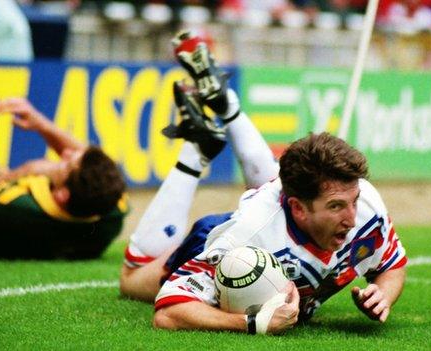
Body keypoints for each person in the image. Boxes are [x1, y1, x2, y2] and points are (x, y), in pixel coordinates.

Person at [119, 30, 407, 334]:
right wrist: (250, 322)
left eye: (354, 200)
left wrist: (383, 294)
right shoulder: (242, 238)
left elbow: (392, 264)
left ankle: (226, 103)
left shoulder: (367, 207)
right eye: (336, 206)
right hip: (224, 234)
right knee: (131, 280)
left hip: (276, 207)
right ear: (297, 208)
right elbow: (168, 313)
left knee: (282, 181)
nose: (351, 218)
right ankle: (195, 150)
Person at [0, 98, 127, 259]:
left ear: (62, 195)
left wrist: (24, 171)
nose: (65, 153)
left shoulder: (9, 207)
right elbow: (92, 164)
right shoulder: (110, 213)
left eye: (65, 164)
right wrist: (42, 125)